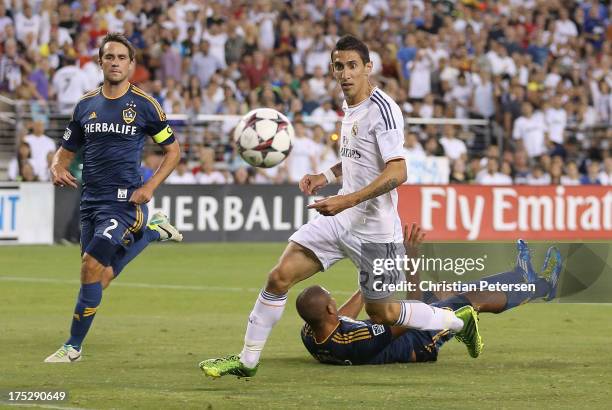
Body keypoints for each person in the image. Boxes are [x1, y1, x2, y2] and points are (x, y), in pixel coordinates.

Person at [199, 36, 481, 379]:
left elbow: (398, 170)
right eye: (338, 66)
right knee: (279, 276)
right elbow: (357, 159)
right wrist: (325, 175)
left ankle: (456, 320)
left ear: (367, 68)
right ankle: (246, 361)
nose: (345, 74)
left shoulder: (384, 110)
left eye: (352, 66)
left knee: (385, 314)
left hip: (375, 228)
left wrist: (345, 199)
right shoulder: (349, 106)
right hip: (340, 219)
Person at [44, 33, 182, 363]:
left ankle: (73, 347)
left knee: (89, 268)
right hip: (90, 200)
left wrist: (150, 188)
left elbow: (173, 151)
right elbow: (65, 150)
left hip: (123, 203)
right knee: (100, 277)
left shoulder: (145, 106)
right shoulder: (85, 105)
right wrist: (55, 166)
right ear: (100, 62)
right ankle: (151, 232)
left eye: (122, 57)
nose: (116, 62)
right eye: (110, 57)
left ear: (131, 65)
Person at [298, 226, 562, 366]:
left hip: (392, 334)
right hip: (418, 343)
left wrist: (369, 281)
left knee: (444, 290)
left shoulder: (312, 332)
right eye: (331, 299)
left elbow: (344, 318)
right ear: (329, 311)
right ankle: (542, 287)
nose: (336, 303)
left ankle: (519, 275)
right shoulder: (361, 340)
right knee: (474, 299)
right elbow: (413, 314)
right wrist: (412, 259)